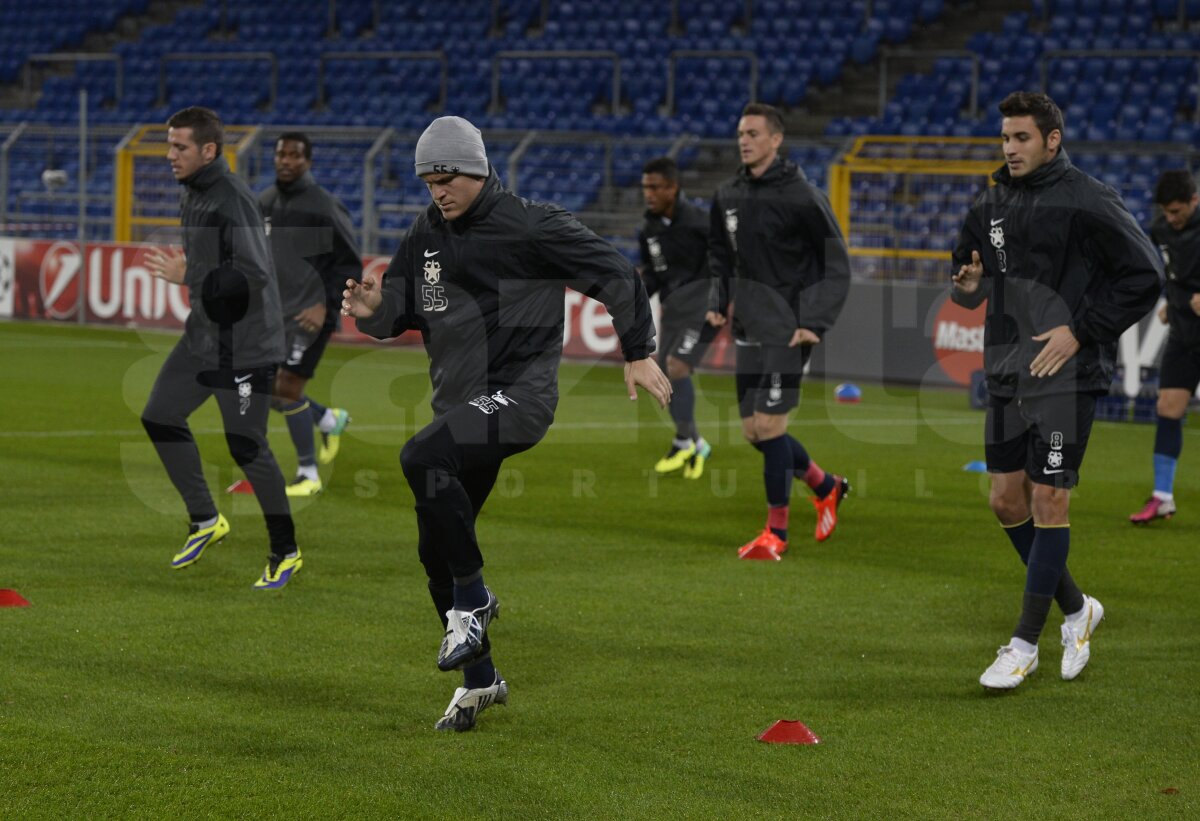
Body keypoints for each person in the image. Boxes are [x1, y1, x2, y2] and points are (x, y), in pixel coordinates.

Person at [341, 116, 671, 732]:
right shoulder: (426, 233)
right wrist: (373, 311)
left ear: (478, 169)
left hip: (520, 398)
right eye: (428, 180)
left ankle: (474, 604)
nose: (438, 191)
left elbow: (617, 274)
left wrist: (638, 349)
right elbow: (404, 311)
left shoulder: (530, 224)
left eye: (448, 178)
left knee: (420, 458)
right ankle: (481, 681)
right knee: (432, 553)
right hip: (461, 408)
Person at [950, 92, 1161, 690]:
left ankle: (1022, 645)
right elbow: (968, 281)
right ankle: (1077, 608)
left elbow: (1145, 274)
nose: (1010, 148)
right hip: (1007, 370)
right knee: (1005, 502)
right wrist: (966, 285)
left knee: (1049, 501)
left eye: (1021, 138)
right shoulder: (990, 200)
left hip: (1067, 375)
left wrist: (1082, 331)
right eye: (1005, 138)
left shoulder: (1088, 199)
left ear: (1052, 140)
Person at [141, 106, 302, 590]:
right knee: (160, 415)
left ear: (208, 151)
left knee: (246, 446)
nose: (170, 155)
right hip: (204, 334)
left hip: (246, 345)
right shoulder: (193, 192)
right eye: (169, 145)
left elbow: (254, 274)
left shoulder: (231, 198)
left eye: (179, 147)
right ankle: (206, 519)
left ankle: (285, 552)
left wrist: (188, 273)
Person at [705, 102, 852, 557]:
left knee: (769, 427)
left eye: (753, 133)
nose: (744, 140)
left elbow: (836, 263)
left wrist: (814, 321)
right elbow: (720, 256)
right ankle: (825, 485)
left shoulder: (802, 195)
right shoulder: (727, 194)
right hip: (748, 325)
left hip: (789, 330)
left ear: (776, 139)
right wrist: (716, 303)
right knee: (754, 432)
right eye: (740, 133)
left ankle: (777, 534)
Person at [259, 132, 360, 497]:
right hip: (276, 315)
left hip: (310, 315)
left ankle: (308, 474)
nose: (286, 160)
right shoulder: (266, 202)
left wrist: (325, 305)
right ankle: (329, 420)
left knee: (287, 388)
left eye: (294, 155)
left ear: (308, 161)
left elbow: (348, 263)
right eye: (281, 154)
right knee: (262, 389)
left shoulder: (322, 206)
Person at [1130, 169, 1200, 524]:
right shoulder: (1160, 231)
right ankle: (1163, 497)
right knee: (1168, 406)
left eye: (1177, 211)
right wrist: (1171, 304)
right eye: (1166, 212)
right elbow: (1171, 276)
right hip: (1185, 334)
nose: (1171, 218)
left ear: (1194, 200)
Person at [638, 156, 715, 479]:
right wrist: (636, 293)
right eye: (645, 187)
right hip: (673, 312)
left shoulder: (700, 223)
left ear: (673, 188)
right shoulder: (649, 230)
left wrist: (719, 304)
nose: (648, 194)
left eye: (655, 187)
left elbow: (721, 266)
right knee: (665, 377)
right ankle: (696, 441)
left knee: (678, 365)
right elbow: (654, 277)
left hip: (704, 310)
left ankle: (684, 440)